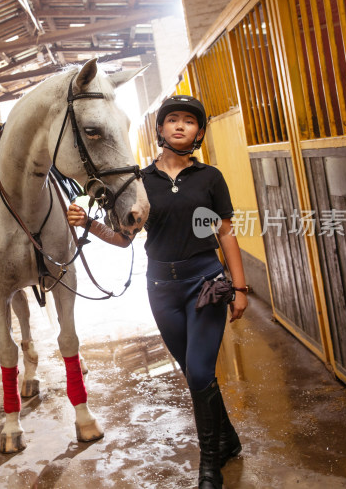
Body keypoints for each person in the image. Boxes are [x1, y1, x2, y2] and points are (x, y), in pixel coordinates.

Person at [67, 95, 247, 489]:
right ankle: (228, 438)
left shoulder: (210, 178)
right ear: (161, 129)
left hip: (206, 283)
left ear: (199, 131)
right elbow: (124, 238)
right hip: (162, 289)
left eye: (189, 121)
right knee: (195, 375)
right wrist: (89, 224)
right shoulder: (142, 182)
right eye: (173, 120)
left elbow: (226, 233)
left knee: (200, 372)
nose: (180, 126)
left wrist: (239, 285)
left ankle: (209, 464)